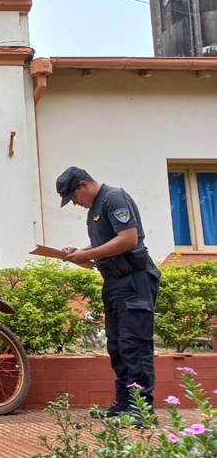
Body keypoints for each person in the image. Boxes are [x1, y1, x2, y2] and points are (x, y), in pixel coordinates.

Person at [56, 166, 160, 421]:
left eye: (74, 197)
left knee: (134, 344)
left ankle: (142, 410)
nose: (75, 203)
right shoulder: (95, 208)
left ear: (83, 185)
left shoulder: (114, 198)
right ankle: (125, 404)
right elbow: (105, 245)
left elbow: (128, 239)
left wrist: (87, 254)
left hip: (133, 280)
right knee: (118, 346)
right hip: (114, 282)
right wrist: (79, 252)